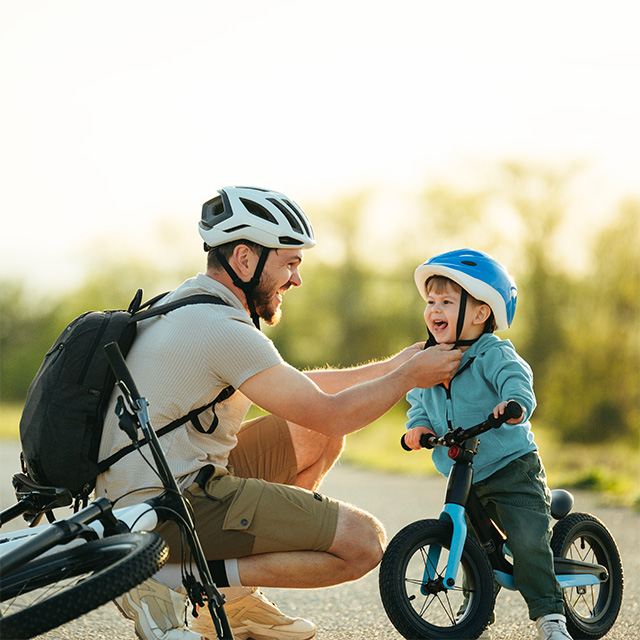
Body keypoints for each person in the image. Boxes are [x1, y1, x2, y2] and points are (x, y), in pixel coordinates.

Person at [96, 186, 462, 640]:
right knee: (363, 544)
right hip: (168, 507)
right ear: (245, 260)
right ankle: (174, 577)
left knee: (316, 436)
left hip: (138, 492)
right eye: (289, 263)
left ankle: (232, 605)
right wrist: (408, 378)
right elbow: (332, 413)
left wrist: (395, 366)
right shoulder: (224, 328)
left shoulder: (190, 302)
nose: (296, 279)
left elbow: (301, 395)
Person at [403, 248, 572, 640]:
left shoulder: (492, 353)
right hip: (463, 471)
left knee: (528, 540)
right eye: (430, 302)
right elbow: (418, 403)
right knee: (472, 547)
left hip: (512, 466)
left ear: (480, 313)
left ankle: (550, 615)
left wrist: (514, 405)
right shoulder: (428, 360)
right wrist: (417, 429)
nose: (434, 310)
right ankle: (475, 609)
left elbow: (517, 380)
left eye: (446, 301)